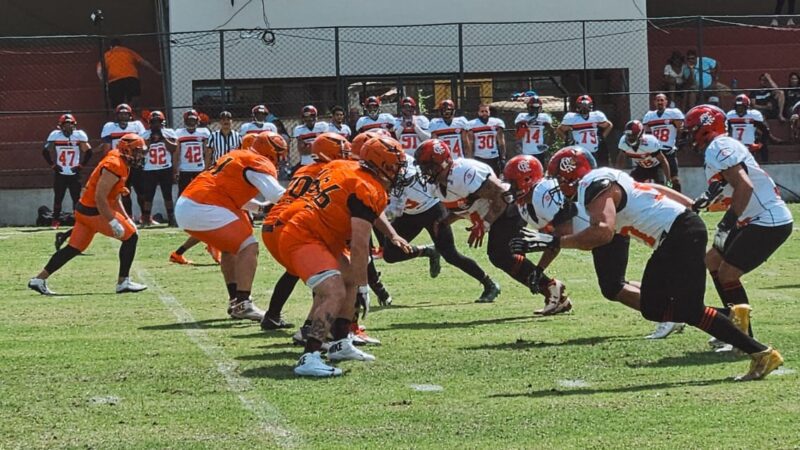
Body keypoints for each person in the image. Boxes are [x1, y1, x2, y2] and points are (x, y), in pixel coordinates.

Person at [511, 146, 784, 381]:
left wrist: (554, 242)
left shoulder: (591, 185)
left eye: (561, 179)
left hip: (678, 235)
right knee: (662, 306)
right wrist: (688, 205)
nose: (560, 186)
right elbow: (651, 188)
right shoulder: (608, 176)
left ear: (572, 174)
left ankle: (756, 348)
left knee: (675, 308)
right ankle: (738, 327)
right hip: (679, 233)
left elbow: (603, 231)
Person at [264, 136, 409, 377]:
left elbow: (360, 207)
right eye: (396, 165)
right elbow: (361, 242)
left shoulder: (345, 167)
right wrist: (365, 285)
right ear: (381, 164)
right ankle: (309, 356)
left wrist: (360, 278)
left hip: (320, 234)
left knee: (349, 280)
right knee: (335, 290)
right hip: (304, 235)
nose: (399, 172)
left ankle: (341, 343)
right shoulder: (367, 187)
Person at [686, 104, 793, 353]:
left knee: (728, 274)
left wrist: (727, 222)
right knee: (712, 260)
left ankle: (743, 338)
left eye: (693, 129)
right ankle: (733, 326)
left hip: (768, 220)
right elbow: (726, 182)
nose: (690, 135)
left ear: (705, 128)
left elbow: (744, 186)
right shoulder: (723, 145)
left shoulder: (718, 147)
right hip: (757, 217)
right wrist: (703, 199)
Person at [416, 138, 559, 306]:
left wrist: (484, 224)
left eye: (427, 165)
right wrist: (446, 221)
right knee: (502, 256)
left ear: (441, 161)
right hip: (496, 214)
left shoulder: (463, 172)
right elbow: (465, 205)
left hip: (507, 208)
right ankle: (550, 288)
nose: (425, 171)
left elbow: (501, 195)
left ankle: (551, 286)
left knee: (501, 254)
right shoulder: (439, 184)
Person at [175, 131, 287, 321]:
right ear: (270, 151)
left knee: (231, 249)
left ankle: (235, 299)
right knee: (249, 246)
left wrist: (258, 207)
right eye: (279, 153)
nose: (281, 158)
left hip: (189, 204)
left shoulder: (234, 156)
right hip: (203, 206)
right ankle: (244, 303)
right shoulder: (256, 161)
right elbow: (277, 195)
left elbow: (228, 192)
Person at [380, 149, 504, 306]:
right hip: (409, 214)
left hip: (431, 210)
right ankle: (428, 251)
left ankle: (489, 284)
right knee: (390, 254)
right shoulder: (395, 168)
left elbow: (394, 210)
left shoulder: (410, 175)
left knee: (450, 254)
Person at [28, 134, 148, 295]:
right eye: (137, 151)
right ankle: (123, 282)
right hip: (94, 212)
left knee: (73, 248)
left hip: (84, 210)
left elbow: (115, 195)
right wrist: (112, 221)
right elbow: (100, 197)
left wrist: (126, 218)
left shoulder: (120, 160)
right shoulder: (115, 164)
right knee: (131, 237)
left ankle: (38, 279)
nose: (140, 155)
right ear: (127, 149)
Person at [260, 132, 353, 331]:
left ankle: (273, 315)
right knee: (325, 272)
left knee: (296, 271)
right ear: (330, 152)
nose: (347, 155)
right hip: (294, 222)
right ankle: (312, 328)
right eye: (342, 151)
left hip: (274, 222)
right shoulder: (329, 170)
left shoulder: (305, 168)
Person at [169, 109, 214, 265]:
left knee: (204, 198)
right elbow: (176, 152)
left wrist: (206, 168)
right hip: (185, 169)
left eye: (194, 119)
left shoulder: (204, 132)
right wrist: (176, 168)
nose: (191, 122)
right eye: (189, 120)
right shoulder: (179, 133)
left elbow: (207, 152)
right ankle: (181, 220)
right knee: (183, 197)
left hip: (199, 168)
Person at [43, 114, 92, 228]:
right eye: (65, 124)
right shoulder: (55, 135)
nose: (68, 126)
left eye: (70, 124)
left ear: (74, 125)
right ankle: (55, 220)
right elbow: (45, 151)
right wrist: (53, 165)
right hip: (60, 172)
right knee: (58, 197)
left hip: (74, 172)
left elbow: (89, 152)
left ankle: (78, 220)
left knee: (76, 198)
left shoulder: (79, 135)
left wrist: (81, 166)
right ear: (61, 125)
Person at [100, 104, 146, 218]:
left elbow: (143, 145)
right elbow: (106, 146)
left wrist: (140, 159)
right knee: (124, 192)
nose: (123, 116)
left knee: (141, 192)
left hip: (134, 163)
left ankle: (145, 216)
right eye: (121, 114)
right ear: (116, 115)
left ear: (130, 115)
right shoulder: (109, 127)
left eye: (125, 113)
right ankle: (128, 217)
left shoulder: (137, 125)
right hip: (119, 163)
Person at [96, 39, 160, 108]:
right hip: (130, 77)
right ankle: (131, 109)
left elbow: (99, 69)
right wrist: (156, 71)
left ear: (111, 46)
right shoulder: (128, 51)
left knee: (116, 103)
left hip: (114, 80)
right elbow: (143, 62)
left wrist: (102, 80)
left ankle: (120, 114)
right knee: (134, 97)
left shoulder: (107, 54)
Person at [140, 111, 177, 227]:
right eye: (153, 122)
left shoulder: (169, 132)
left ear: (162, 122)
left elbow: (173, 148)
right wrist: (150, 141)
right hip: (149, 168)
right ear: (149, 123)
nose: (156, 124)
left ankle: (171, 218)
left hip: (165, 167)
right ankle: (146, 219)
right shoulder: (144, 135)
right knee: (148, 195)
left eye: (158, 122)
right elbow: (142, 151)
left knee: (167, 194)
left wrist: (163, 138)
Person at [642, 93, 685, 191]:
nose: (660, 102)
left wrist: (679, 142)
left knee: (674, 180)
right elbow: (647, 135)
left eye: (662, 100)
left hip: (668, 151)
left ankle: (677, 201)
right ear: (654, 102)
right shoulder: (649, 116)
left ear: (666, 102)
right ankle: (662, 201)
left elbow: (681, 130)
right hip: (655, 152)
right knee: (659, 182)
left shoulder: (673, 113)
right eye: (657, 100)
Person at [556, 95, 613, 165]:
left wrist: (601, 137)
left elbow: (609, 125)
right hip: (578, 151)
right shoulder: (572, 117)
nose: (584, 108)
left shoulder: (596, 116)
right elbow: (559, 129)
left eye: (586, 105)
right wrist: (567, 139)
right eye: (582, 106)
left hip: (594, 150)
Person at [616, 120, 671, 186]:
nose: (630, 137)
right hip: (641, 167)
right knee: (630, 186)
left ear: (641, 134)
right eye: (628, 135)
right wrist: (617, 176)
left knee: (661, 189)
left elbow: (663, 160)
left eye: (633, 135)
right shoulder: (623, 143)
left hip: (656, 167)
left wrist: (668, 179)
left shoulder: (650, 143)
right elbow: (621, 159)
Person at [726, 94, 773, 162]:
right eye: (738, 107)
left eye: (741, 107)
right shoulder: (730, 115)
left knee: (764, 147)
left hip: (750, 145)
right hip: (735, 146)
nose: (739, 109)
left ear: (746, 107)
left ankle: (765, 165)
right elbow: (725, 131)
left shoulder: (753, 115)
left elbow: (765, 131)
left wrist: (760, 144)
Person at [514, 94, 554, 167]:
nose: (534, 110)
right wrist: (527, 124)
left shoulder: (544, 117)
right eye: (533, 107)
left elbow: (552, 132)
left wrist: (547, 145)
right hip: (526, 150)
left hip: (538, 150)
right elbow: (518, 135)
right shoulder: (522, 116)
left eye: (537, 108)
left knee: (540, 170)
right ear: (528, 107)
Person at [467, 104, 507, 176]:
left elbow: (501, 141)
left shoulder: (496, 123)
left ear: (489, 112)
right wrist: (470, 159)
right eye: (482, 111)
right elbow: (470, 143)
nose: (484, 113)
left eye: (486, 111)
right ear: (478, 112)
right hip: (479, 157)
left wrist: (503, 157)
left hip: (494, 157)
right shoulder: (472, 124)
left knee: (496, 179)